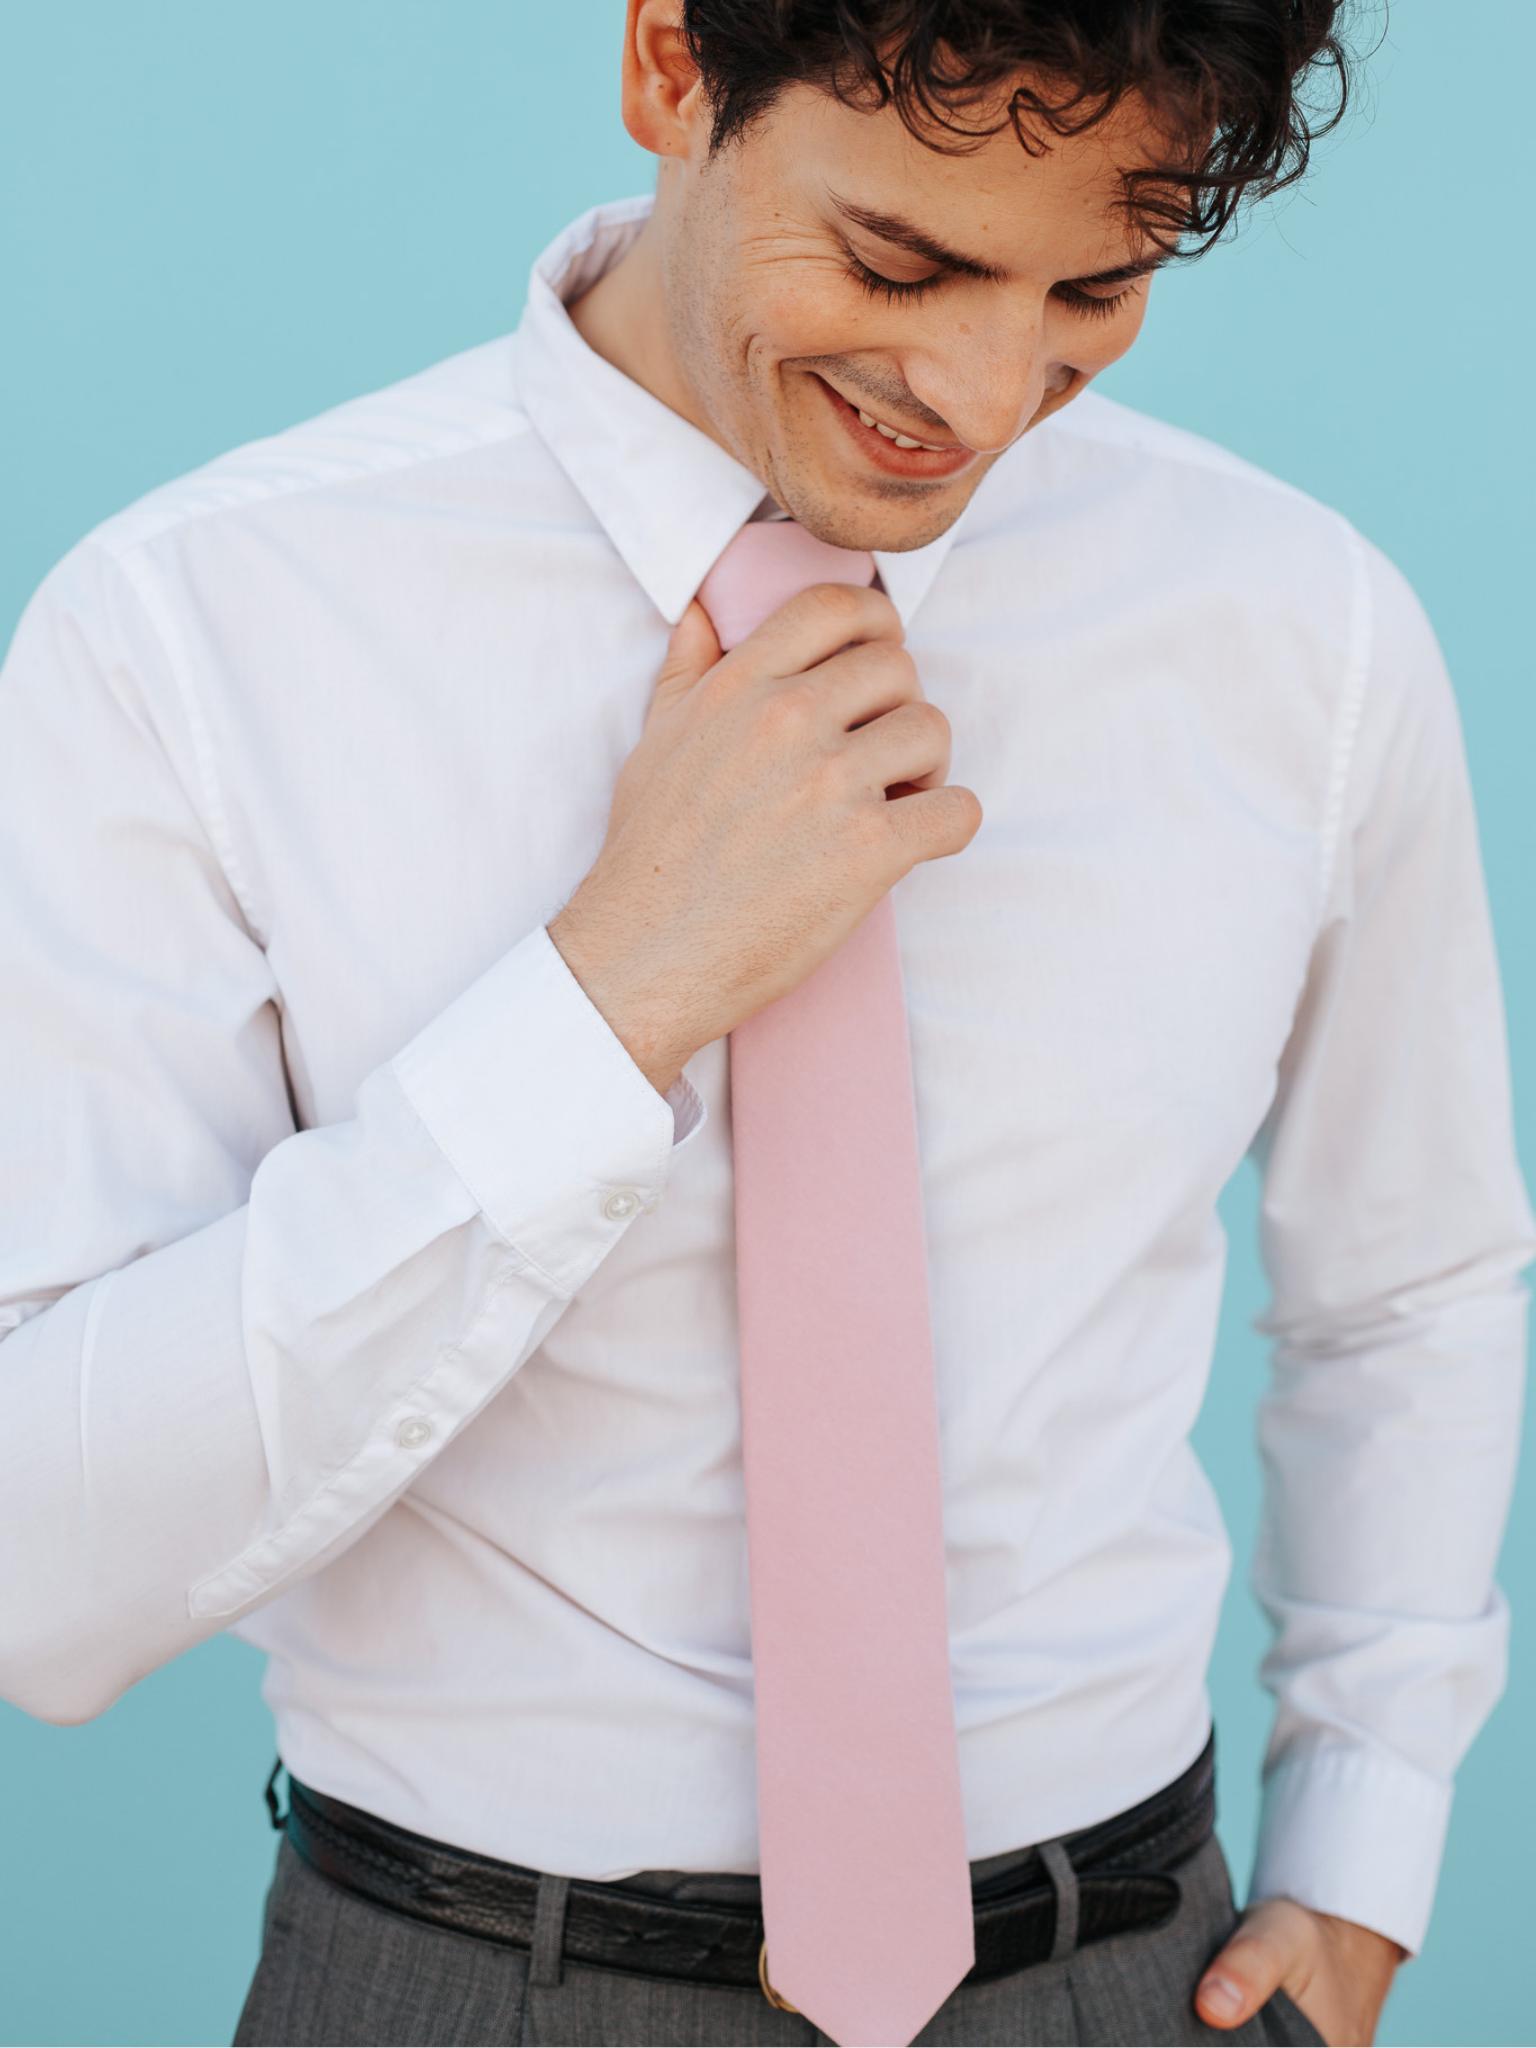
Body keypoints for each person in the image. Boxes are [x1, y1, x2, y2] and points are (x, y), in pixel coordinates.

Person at [1, 1, 1528, 2043]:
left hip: (1138, 1974)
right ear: (667, 65)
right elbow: (44, 1562)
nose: (985, 392)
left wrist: (1366, 1834)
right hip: (466, 1988)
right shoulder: (195, 630)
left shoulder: (1301, 625)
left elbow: (1412, 1276)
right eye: (905, 263)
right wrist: (613, 991)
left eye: (1098, 282)